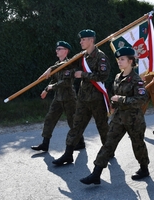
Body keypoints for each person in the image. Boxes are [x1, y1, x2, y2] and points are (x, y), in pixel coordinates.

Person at [79, 47, 150, 185]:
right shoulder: (118, 77)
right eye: (118, 59)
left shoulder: (137, 80)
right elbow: (114, 95)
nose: (119, 62)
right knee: (108, 144)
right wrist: (113, 103)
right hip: (118, 118)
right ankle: (96, 173)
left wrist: (121, 99)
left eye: (122, 59)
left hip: (134, 119)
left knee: (138, 144)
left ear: (130, 61)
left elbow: (141, 99)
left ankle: (144, 168)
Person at [40, 29, 111, 165]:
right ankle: (68, 154)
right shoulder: (82, 56)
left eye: (83, 39)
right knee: (76, 126)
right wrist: (52, 68)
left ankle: (109, 150)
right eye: (81, 40)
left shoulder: (101, 57)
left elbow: (103, 76)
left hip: (96, 98)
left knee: (102, 126)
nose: (80, 42)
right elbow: (68, 64)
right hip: (83, 98)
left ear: (91, 40)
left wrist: (83, 75)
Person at [31, 41, 76, 152]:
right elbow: (54, 79)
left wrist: (52, 87)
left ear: (66, 51)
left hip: (69, 98)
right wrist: (46, 89)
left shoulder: (69, 64)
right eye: (57, 49)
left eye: (59, 49)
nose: (56, 50)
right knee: (49, 119)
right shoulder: (56, 64)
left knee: (73, 122)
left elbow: (66, 82)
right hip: (58, 98)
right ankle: (45, 144)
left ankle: (80, 142)